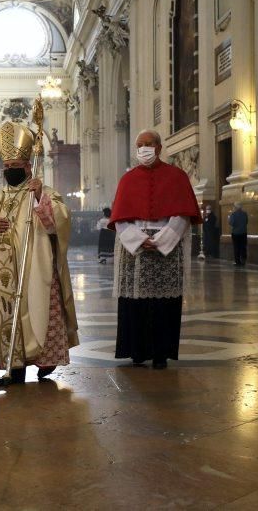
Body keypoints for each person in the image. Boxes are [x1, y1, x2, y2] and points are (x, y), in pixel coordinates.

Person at [0, 121, 79, 385]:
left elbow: (60, 223)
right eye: (6, 168)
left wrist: (40, 200)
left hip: (36, 267)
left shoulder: (44, 193)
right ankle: (13, 367)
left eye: (15, 168)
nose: (10, 171)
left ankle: (45, 362)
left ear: (28, 167)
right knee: (8, 313)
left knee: (41, 311)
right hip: (3, 274)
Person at [109, 129, 201, 370]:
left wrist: (161, 240)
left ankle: (161, 353)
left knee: (164, 304)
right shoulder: (127, 179)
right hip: (135, 249)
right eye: (140, 145)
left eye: (149, 144)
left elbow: (182, 215)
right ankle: (137, 351)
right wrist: (138, 240)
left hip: (167, 247)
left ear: (159, 148)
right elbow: (120, 218)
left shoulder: (177, 176)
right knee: (135, 301)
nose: (144, 149)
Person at [228, 202, 248, 266]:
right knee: (243, 247)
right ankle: (243, 260)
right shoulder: (245, 214)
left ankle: (237, 261)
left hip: (236, 233)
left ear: (235, 207)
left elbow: (231, 223)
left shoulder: (233, 214)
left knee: (236, 247)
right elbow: (246, 222)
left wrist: (229, 219)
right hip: (243, 232)